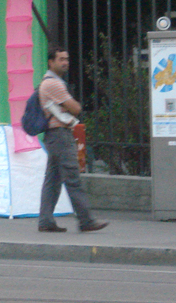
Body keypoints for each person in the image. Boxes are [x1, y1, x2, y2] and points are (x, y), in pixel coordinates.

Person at [37, 46, 108, 233]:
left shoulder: (52, 82)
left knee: (52, 181)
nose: (65, 62)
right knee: (72, 178)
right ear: (51, 62)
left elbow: (71, 108)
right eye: (61, 59)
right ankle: (86, 220)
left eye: (66, 58)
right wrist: (72, 105)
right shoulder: (53, 84)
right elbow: (76, 108)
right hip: (60, 135)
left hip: (54, 136)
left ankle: (45, 221)